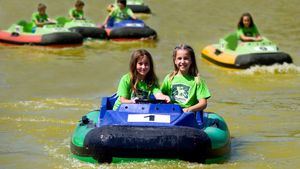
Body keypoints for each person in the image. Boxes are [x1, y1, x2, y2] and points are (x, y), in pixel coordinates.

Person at [161, 44, 211, 113]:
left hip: (189, 115)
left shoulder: (197, 81)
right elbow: (160, 95)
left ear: (191, 61)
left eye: (186, 58)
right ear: (175, 60)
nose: (182, 61)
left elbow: (203, 103)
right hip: (171, 113)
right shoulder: (169, 78)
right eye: (179, 58)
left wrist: (189, 109)